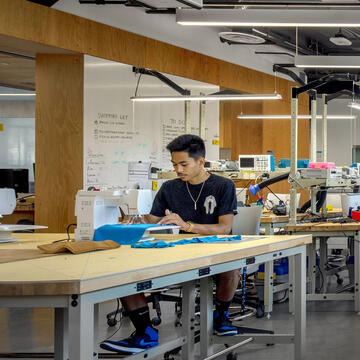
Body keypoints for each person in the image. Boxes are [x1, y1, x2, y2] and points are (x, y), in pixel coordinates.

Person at [100, 134, 239, 355]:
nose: (178, 170)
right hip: (176, 251)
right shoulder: (169, 188)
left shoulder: (223, 186)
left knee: (232, 268)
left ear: (201, 161)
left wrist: (186, 226)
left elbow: (224, 228)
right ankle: (145, 332)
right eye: (174, 164)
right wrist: (136, 219)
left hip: (214, 250)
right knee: (124, 269)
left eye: (183, 164)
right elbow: (155, 219)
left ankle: (221, 316)